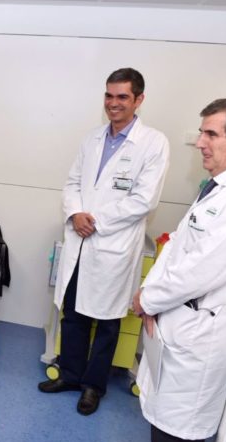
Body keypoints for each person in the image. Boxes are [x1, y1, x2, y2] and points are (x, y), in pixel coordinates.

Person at [38, 68, 170, 416]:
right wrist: (75, 214)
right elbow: (72, 183)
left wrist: (95, 222)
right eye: (109, 96)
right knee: (73, 311)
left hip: (111, 243)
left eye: (122, 97)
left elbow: (145, 200)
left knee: (107, 321)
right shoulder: (92, 139)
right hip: (80, 240)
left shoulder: (153, 143)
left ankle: (92, 387)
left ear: (138, 99)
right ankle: (69, 374)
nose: (114, 103)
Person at [133, 97, 226, 442]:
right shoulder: (218, 185)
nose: (200, 142)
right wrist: (150, 293)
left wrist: (147, 300)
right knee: (163, 431)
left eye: (211, 134)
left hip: (202, 331)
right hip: (179, 319)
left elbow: (205, 267)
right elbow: (178, 249)